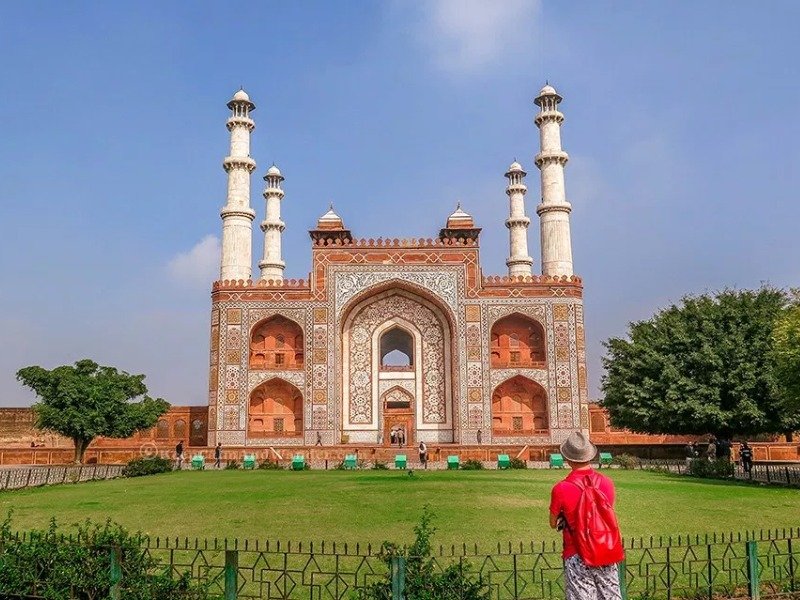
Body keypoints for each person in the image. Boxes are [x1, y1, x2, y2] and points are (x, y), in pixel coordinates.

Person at [550, 432, 623, 600]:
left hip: (576, 552)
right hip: (605, 549)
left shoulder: (561, 488)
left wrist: (563, 517)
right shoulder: (606, 483)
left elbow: (553, 523)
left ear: (567, 459)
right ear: (589, 456)